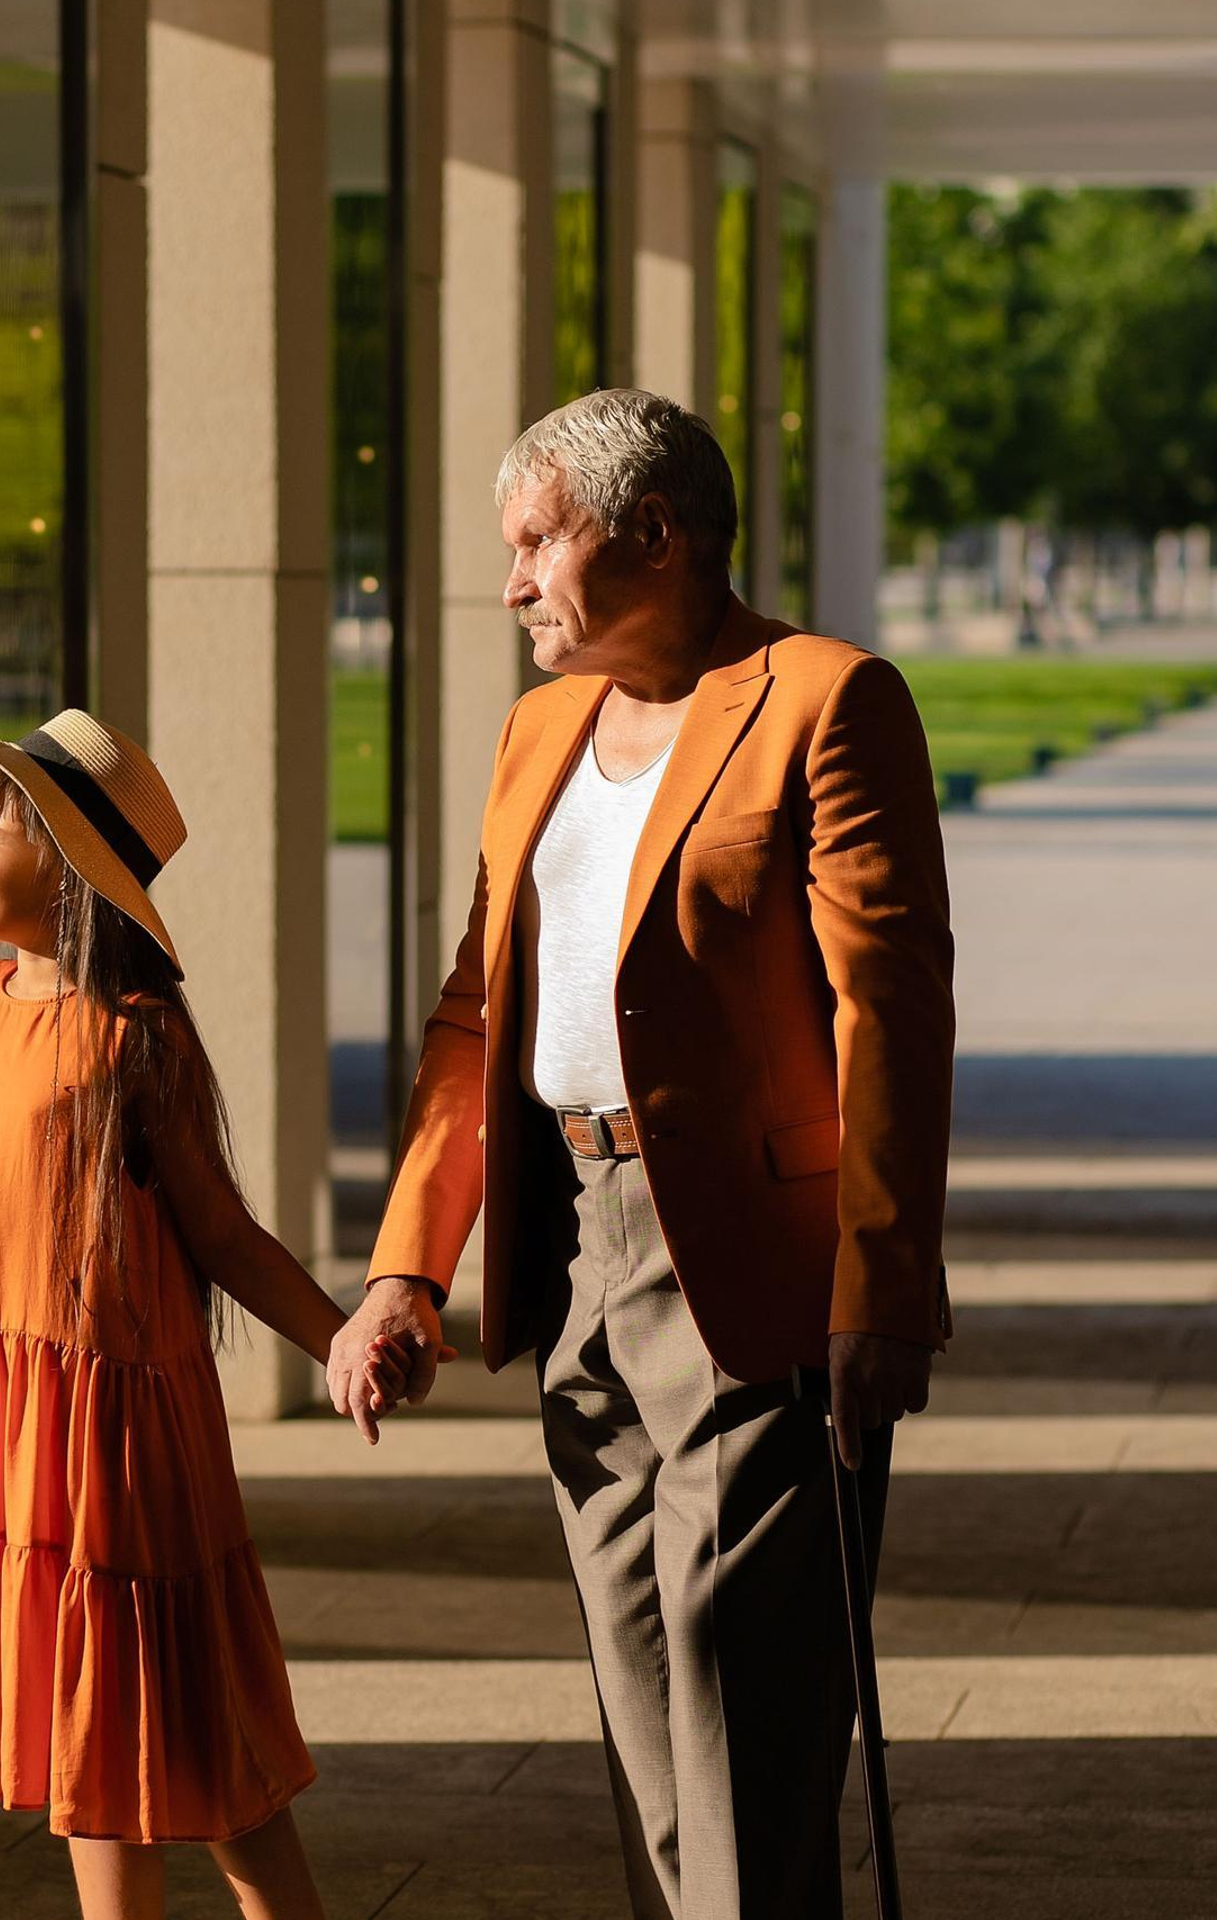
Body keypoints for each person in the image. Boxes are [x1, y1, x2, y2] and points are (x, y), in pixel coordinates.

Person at [327, 389, 956, 1919]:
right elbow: (475, 1011)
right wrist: (407, 1266)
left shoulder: (824, 700)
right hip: (573, 1261)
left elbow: (888, 1012)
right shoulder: (540, 729)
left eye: (538, 543)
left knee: (745, 1710)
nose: (512, 584)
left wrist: (880, 1288)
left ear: (653, 533)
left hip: (752, 1271)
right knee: (644, 1719)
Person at [0, 707, 417, 1920]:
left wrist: (340, 1334)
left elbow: (218, 1232)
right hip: (10, 1421)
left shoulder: (136, 1032)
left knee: (183, 1730)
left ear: (68, 872)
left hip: (113, 1434)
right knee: (88, 1740)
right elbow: (29, 1190)